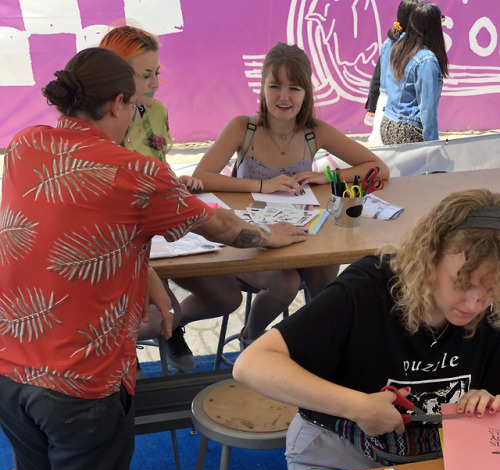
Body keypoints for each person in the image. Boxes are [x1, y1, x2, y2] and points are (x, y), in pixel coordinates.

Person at [0, 47, 305, 470]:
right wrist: (268, 235)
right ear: (117, 104)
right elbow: (219, 226)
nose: (137, 112)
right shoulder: (134, 174)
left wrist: (146, 276)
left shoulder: (27, 143)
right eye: (134, 104)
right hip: (82, 385)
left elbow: (78, 223)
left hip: (11, 367)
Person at [233, 188, 500, 470]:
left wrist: (488, 399)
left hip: (444, 453)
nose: (475, 304)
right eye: (462, 284)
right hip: (342, 450)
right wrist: (357, 406)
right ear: (429, 257)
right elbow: (252, 365)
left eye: (490, 289)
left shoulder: (493, 308)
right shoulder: (367, 289)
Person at [193, 42, 389, 343]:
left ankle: (312, 344)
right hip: (252, 239)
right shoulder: (242, 128)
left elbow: (377, 168)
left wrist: (325, 176)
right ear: (262, 88)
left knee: (327, 275)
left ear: (306, 93)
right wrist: (262, 185)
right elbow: (201, 178)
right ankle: (252, 339)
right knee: (285, 284)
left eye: (294, 88)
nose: (284, 97)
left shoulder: (315, 131)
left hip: (301, 237)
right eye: (275, 86)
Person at [100, 25, 243, 371]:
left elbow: (156, 166)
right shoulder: (101, 119)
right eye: (145, 75)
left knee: (228, 297)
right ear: (116, 78)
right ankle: (126, 357)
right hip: (125, 240)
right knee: (162, 309)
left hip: (163, 227)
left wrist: (176, 180)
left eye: (157, 73)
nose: (154, 82)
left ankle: (172, 329)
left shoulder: (157, 111)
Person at [380, 2, 449, 144]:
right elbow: (427, 110)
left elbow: (384, 85)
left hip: (388, 122)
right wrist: (432, 144)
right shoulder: (426, 60)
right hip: (408, 128)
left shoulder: (394, 45)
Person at [364, 0, 423, 145]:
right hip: (399, 111)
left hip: (384, 105)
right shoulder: (414, 48)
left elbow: (377, 77)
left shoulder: (389, 43)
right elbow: (378, 76)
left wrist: (372, 107)